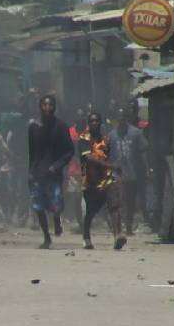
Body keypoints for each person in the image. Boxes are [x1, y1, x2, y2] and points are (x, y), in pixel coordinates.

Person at [27, 95, 75, 249]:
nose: (48, 107)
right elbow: (32, 152)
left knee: (57, 203)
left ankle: (56, 219)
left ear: (55, 107)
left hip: (54, 173)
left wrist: (58, 165)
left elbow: (69, 150)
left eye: (51, 105)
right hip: (38, 172)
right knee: (39, 207)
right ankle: (47, 237)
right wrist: (30, 171)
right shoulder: (33, 126)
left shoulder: (61, 126)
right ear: (40, 106)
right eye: (45, 104)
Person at [77, 111, 126, 250]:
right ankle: (86, 237)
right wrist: (109, 165)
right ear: (88, 123)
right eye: (92, 121)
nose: (94, 123)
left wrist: (115, 166)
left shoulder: (105, 139)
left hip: (106, 178)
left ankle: (118, 235)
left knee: (114, 205)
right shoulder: (83, 139)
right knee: (91, 211)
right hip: (90, 180)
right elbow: (88, 158)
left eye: (97, 121)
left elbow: (108, 156)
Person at [106, 104, 150, 236]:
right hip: (116, 174)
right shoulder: (111, 135)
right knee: (118, 201)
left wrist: (148, 169)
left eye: (123, 117)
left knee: (130, 201)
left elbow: (143, 152)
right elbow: (106, 154)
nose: (121, 119)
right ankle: (118, 226)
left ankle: (129, 226)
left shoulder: (136, 133)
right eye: (119, 117)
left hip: (132, 173)